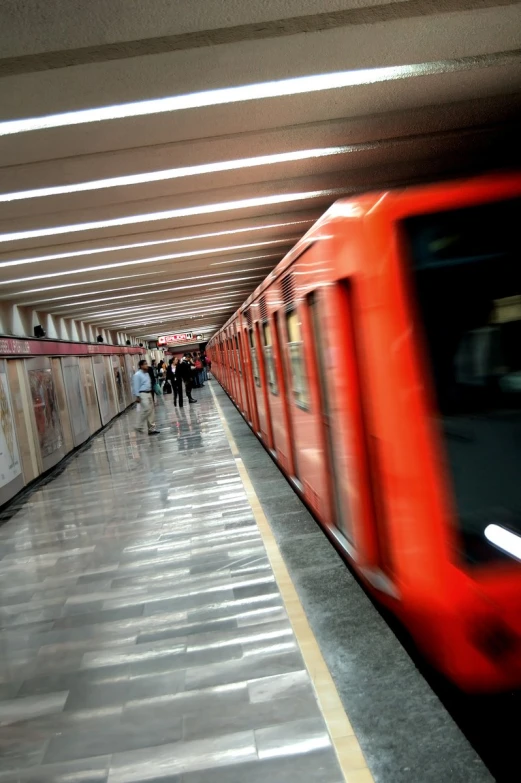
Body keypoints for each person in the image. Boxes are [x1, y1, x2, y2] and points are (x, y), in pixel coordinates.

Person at [132, 360, 159, 435]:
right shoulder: (137, 375)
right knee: (146, 409)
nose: (146, 365)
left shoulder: (146, 373)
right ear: (141, 366)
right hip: (142, 394)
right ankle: (138, 426)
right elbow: (136, 386)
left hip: (149, 393)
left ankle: (151, 429)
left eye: (147, 364)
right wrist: (137, 396)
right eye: (145, 364)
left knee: (151, 411)